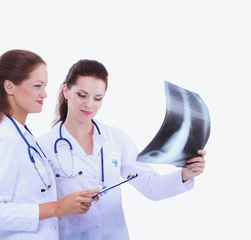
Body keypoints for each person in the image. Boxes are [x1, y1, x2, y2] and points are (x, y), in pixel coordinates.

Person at [38, 59, 206, 240]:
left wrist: (185, 175)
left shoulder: (116, 138)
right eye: (81, 95)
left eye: (97, 98)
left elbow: (151, 187)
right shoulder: (43, 147)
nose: (89, 105)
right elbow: (37, 209)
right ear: (65, 91)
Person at [0, 50, 100, 240]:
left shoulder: (23, 135)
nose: (45, 94)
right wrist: (56, 208)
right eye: (37, 86)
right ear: (10, 87)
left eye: (45, 85)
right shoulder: (5, 138)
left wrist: (71, 203)